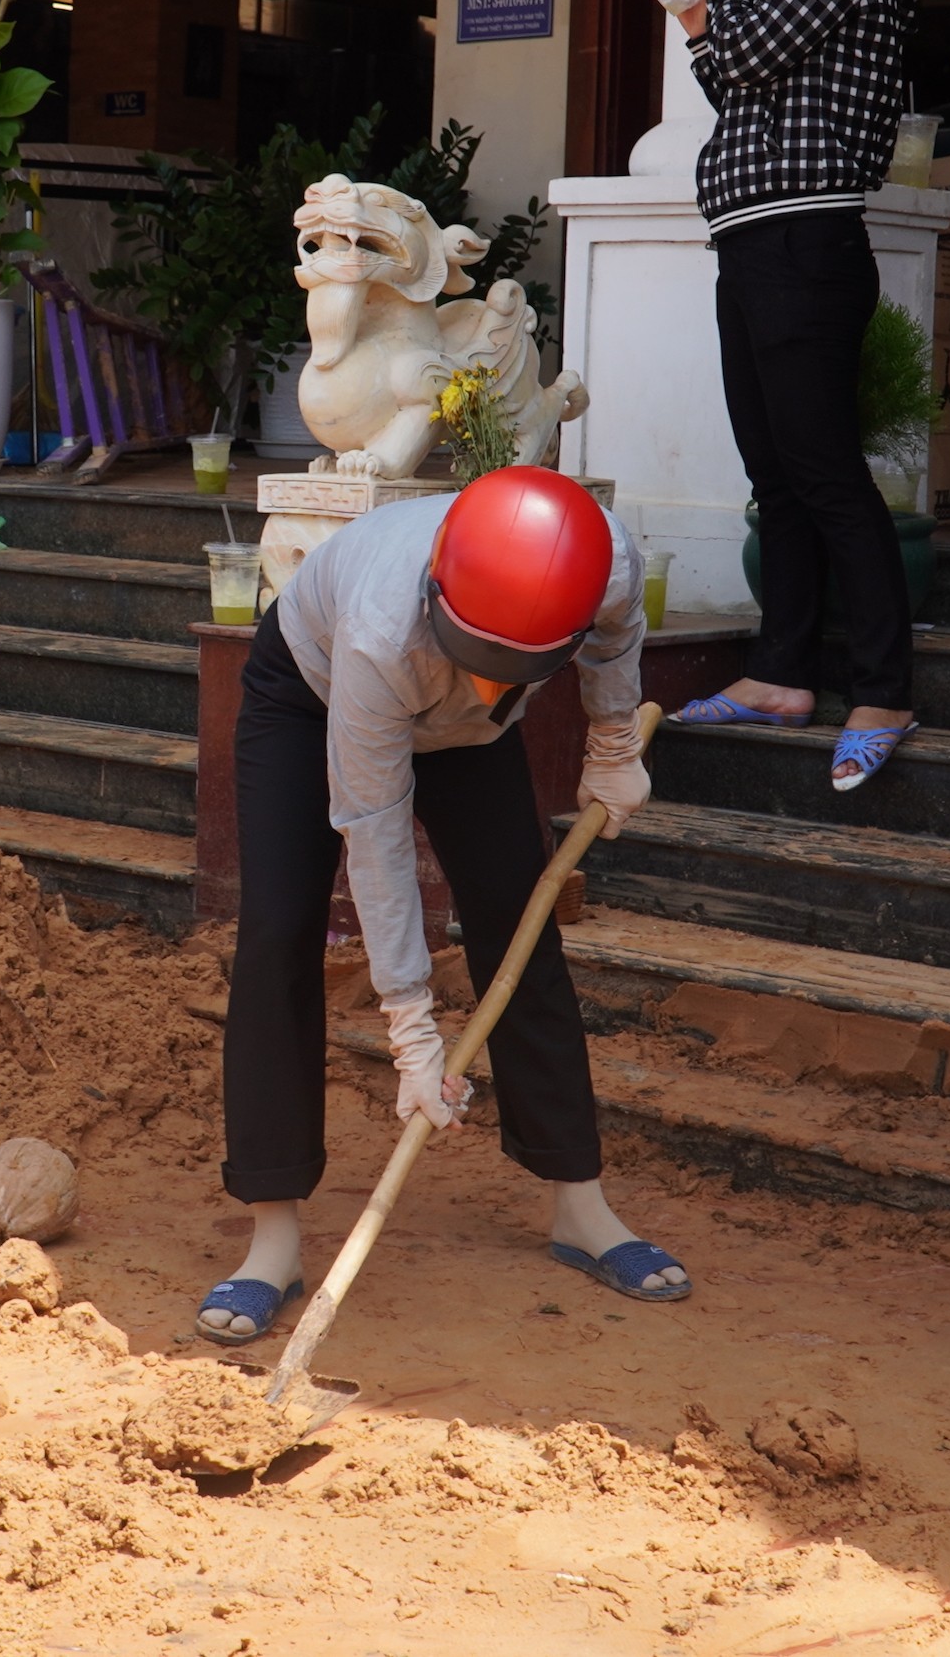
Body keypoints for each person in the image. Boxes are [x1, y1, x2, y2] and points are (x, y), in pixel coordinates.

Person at [198, 466, 669, 1344]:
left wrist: (610, 741)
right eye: (486, 668)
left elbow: (614, 639)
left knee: (516, 919)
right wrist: (412, 1029)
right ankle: (273, 1237)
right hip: (314, 694)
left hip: (465, 730)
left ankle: (579, 1203)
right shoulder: (381, 630)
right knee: (280, 928)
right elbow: (372, 834)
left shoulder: (603, 561)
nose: (495, 689)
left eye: (514, 677)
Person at [662, 0, 927, 794]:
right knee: (775, 472)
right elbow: (739, 87)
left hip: (802, 244)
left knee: (821, 472)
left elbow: (749, 56)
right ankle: (782, 673)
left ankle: (881, 688)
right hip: (757, 243)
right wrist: (700, 22)